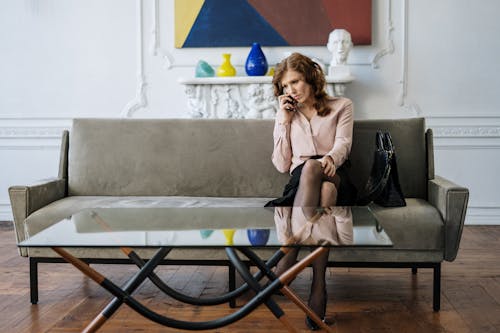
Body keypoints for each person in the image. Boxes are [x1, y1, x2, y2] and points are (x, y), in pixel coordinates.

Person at [265, 52, 355, 330]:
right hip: (300, 184)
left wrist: (330, 159)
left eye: (296, 82)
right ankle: (319, 284)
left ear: (312, 78)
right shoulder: (286, 115)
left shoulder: (343, 106)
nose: (291, 90)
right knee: (323, 192)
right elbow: (281, 164)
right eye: (285, 87)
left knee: (317, 170)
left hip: (333, 172)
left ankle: (291, 251)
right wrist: (284, 119)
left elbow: (343, 143)